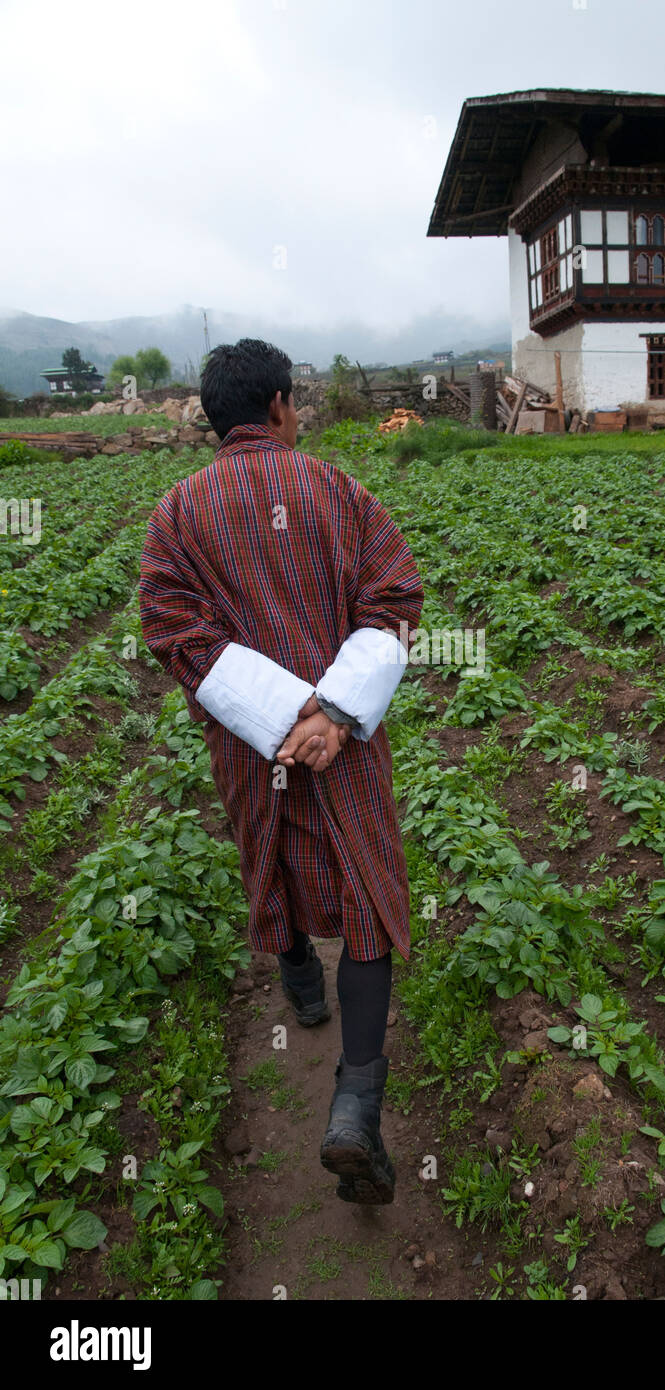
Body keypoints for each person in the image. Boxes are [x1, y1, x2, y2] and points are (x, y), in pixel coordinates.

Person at [138, 338, 423, 1204]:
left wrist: (277, 720)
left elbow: (173, 628)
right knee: (367, 893)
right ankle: (354, 1109)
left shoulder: (175, 517)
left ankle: (301, 988)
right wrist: (332, 714)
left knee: (270, 858)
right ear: (281, 407)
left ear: (213, 419)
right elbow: (393, 601)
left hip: (246, 744)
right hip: (346, 744)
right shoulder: (339, 491)